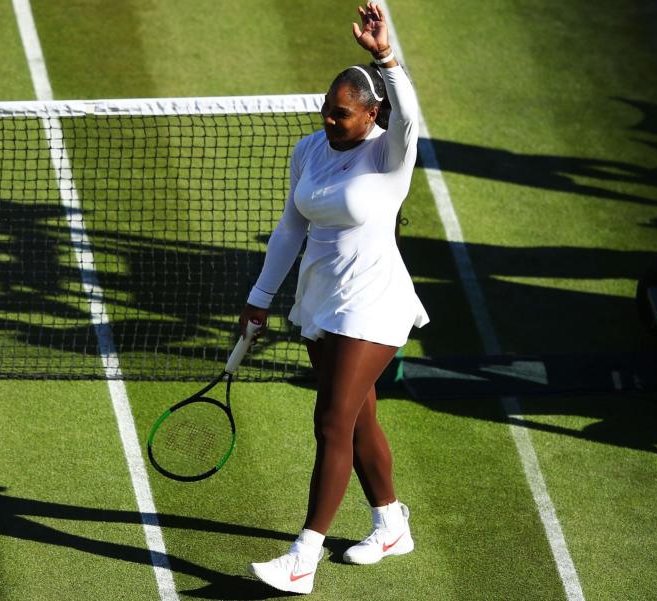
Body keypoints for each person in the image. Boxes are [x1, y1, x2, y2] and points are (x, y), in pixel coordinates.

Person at [241, 2, 428, 594]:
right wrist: (260, 297)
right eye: (325, 110)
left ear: (373, 113)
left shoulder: (390, 153)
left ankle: (303, 556)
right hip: (320, 298)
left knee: (332, 420)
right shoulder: (308, 150)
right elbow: (290, 230)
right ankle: (390, 522)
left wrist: (386, 58)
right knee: (359, 414)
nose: (329, 120)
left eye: (342, 114)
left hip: (373, 302)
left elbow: (411, 116)